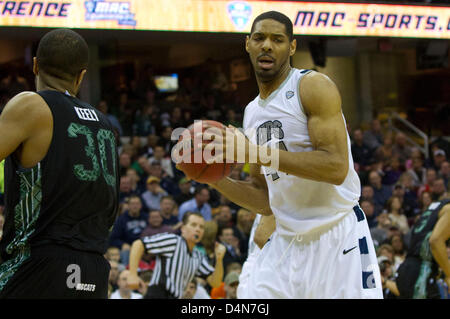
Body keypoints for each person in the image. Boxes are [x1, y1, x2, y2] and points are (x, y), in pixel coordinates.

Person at [177, 11, 382, 298]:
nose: (267, 46)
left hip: (336, 234)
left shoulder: (311, 86)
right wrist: (211, 178)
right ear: (247, 44)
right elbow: (264, 201)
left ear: (292, 47)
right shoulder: (251, 113)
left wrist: (256, 152)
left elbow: (336, 168)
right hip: (286, 241)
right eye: (260, 38)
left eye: (278, 39)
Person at [0, 29, 119, 298]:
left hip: (39, 265)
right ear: (81, 75)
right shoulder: (105, 124)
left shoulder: (31, 105)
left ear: (35, 65)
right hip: (94, 270)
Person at [126, 212, 226, 299]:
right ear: (182, 228)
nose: (198, 229)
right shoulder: (173, 241)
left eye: (201, 227)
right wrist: (132, 274)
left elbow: (215, 282)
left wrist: (220, 259)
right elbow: (138, 244)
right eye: (193, 225)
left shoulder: (198, 256)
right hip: (158, 294)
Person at [385, 198, 450, 298]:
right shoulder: (448, 209)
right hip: (421, 273)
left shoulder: (435, 207)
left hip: (409, 268)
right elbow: (435, 240)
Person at [108, 195, 148, 266]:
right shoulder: (121, 220)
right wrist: (122, 244)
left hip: (144, 247)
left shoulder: (146, 218)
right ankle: (127, 270)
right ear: (128, 206)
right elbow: (113, 238)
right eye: (132, 204)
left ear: (141, 205)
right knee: (126, 251)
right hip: (129, 248)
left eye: (137, 204)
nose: (135, 206)